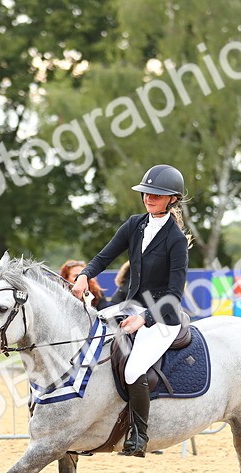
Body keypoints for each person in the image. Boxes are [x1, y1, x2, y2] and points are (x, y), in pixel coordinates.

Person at [72, 164, 190, 458]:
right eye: (147, 192)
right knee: (95, 346)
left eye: (157, 194)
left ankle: (139, 436)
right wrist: (85, 274)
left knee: (134, 368)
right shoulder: (135, 225)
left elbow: (174, 294)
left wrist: (145, 318)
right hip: (131, 306)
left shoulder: (175, 240)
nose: (149, 197)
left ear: (172, 199)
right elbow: (105, 255)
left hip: (162, 316)